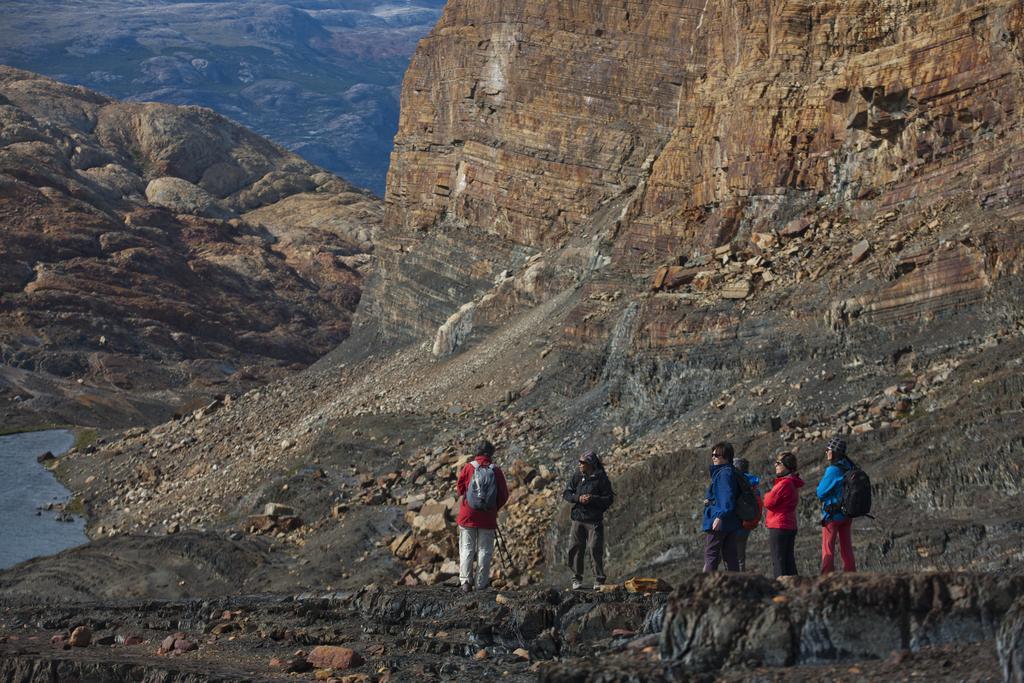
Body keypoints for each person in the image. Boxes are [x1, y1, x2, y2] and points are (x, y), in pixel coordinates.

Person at [455, 439, 509, 592]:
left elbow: (459, 488)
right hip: (488, 516)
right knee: (484, 550)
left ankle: (465, 582)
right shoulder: (496, 470)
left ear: (477, 452)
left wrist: (467, 500)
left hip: (468, 515)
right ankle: (481, 583)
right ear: (491, 453)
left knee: (466, 548)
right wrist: (493, 508)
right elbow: (504, 494)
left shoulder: (468, 467)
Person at [562, 450, 615, 590]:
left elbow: (609, 499)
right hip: (578, 518)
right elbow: (567, 493)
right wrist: (578, 498)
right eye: (579, 462)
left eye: (582, 462)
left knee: (594, 548)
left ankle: (599, 579)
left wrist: (592, 499)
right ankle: (576, 578)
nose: (579, 465)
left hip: (594, 521)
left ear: (590, 464)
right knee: (575, 547)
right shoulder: (577, 476)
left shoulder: (601, 479)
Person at [816, 436, 857, 574]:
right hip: (847, 514)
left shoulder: (833, 470)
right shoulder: (849, 466)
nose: (826, 452)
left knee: (828, 548)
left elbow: (820, 492)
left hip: (832, 515)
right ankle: (851, 574)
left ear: (833, 451)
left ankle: (826, 576)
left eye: (828, 449)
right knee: (847, 548)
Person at [763, 451, 803, 578]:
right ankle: (794, 588)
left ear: (786, 465)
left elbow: (768, 502)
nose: (775, 465)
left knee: (778, 560)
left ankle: (780, 590)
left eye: (778, 463)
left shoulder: (784, 483)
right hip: (789, 524)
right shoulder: (792, 483)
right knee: (788, 560)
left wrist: (766, 495)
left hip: (779, 525)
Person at [702, 442, 741, 572]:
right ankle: (735, 586)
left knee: (711, 554)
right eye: (712, 454)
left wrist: (720, 516)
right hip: (732, 521)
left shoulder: (723, 474)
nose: (713, 457)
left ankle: (706, 587)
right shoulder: (730, 472)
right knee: (730, 557)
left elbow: (727, 498)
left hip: (720, 521)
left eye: (717, 455)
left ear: (726, 457)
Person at [732, 458, 762, 571]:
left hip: (735, 523)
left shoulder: (736, 482)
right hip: (748, 522)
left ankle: (734, 580)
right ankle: (741, 576)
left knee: (730, 555)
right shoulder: (753, 483)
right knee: (741, 555)